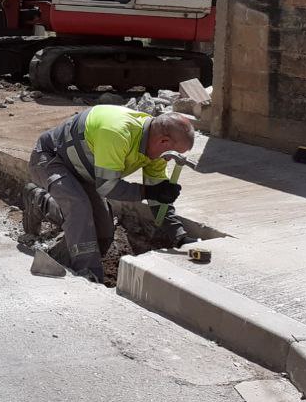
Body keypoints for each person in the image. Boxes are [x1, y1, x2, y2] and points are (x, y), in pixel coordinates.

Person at [23, 107, 195, 282]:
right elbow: (108, 188)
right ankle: (87, 277)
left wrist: (179, 236)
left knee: (103, 234)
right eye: (173, 155)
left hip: (83, 172)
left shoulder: (155, 149)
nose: (169, 160)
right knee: (78, 206)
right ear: (163, 141)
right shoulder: (117, 132)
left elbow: (158, 196)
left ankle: (46, 214)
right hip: (50, 159)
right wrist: (148, 192)